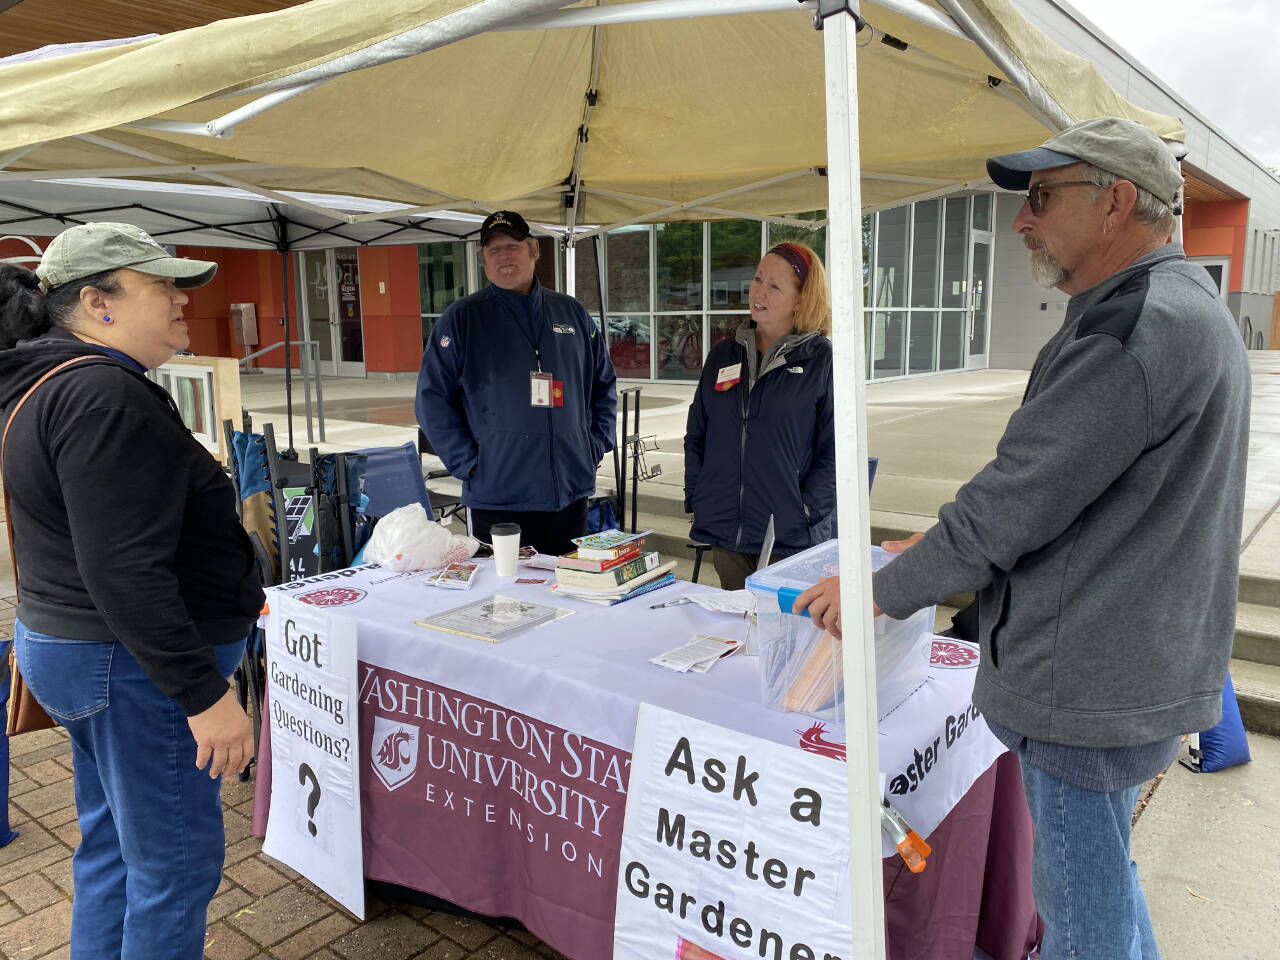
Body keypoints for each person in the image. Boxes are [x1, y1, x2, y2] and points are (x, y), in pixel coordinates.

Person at [795, 117, 1250, 958]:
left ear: (1117, 201)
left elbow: (1014, 503)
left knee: (1082, 921)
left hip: (1088, 689)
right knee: (1104, 892)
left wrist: (874, 591)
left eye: (1042, 196)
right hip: (1124, 672)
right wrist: (926, 544)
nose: (1021, 220)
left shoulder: (1131, 329)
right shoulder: (1168, 306)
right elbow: (1072, 489)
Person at [0, 222, 265, 960]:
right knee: (174, 867)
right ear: (97, 302)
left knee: (116, 848)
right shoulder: (100, 396)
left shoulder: (61, 382)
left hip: (94, 658)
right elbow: (123, 570)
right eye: (162, 286)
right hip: (134, 669)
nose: (182, 301)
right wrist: (205, 698)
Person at [416, 210, 617, 555]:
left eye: (512, 246)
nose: (503, 256)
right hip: (499, 498)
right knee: (504, 602)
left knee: (570, 593)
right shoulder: (462, 319)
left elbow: (604, 386)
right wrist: (470, 465)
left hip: (569, 494)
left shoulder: (571, 314)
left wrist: (593, 444)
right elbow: (431, 400)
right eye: (493, 250)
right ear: (483, 260)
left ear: (534, 250)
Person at [683, 241, 835, 591]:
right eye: (757, 279)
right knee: (738, 630)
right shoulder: (724, 355)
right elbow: (697, 434)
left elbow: (836, 453)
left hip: (789, 536)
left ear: (801, 299)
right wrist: (698, 495)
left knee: (785, 638)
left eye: (774, 285)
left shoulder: (822, 363)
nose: (758, 292)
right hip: (725, 530)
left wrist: (807, 512)